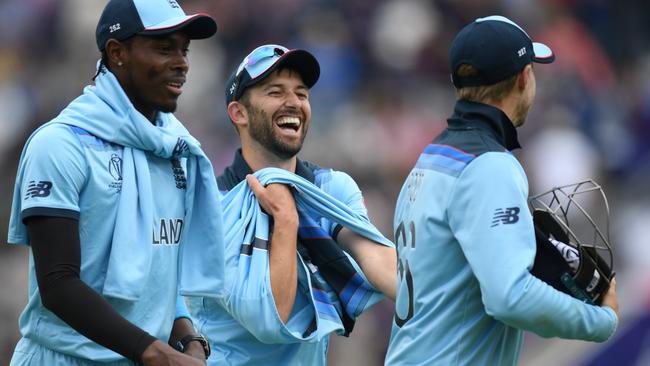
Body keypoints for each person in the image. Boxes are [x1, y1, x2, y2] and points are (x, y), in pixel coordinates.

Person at [385, 15, 619, 365]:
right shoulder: (490, 166)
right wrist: (600, 321)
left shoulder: (428, 161)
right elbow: (509, 297)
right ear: (524, 77)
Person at [6, 0, 224, 365]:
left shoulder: (175, 150)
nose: (182, 62)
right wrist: (157, 354)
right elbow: (58, 284)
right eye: (164, 48)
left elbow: (158, 278)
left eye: (184, 50)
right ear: (117, 52)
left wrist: (190, 339)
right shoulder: (60, 144)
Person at [187, 44, 397, 365]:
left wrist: (444, 302)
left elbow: (374, 256)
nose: (294, 103)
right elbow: (271, 318)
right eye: (275, 92)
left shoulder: (331, 188)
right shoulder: (213, 208)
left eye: (302, 93)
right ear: (238, 113)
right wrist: (285, 220)